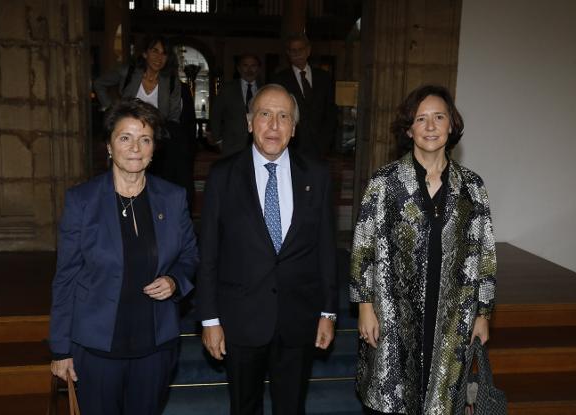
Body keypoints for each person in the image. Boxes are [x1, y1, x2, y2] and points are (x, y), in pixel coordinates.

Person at [349, 85, 497, 414]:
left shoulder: (472, 187)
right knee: (392, 398)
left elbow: (485, 253)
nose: (430, 126)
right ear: (409, 129)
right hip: (392, 314)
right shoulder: (384, 182)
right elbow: (363, 248)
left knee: (443, 401)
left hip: (452, 316)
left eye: (439, 117)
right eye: (421, 118)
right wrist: (364, 306)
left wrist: (483, 313)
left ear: (451, 125)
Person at [49, 98, 199, 414]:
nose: (135, 148)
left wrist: (174, 281)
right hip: (98, 347)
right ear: (109, 145)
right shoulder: (82, 201)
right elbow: (66, 278)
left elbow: (190, 256)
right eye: (125, 138)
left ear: (153, 148)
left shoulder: (172, 198)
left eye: (144, 139)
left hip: (155, 346)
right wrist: (60, 349)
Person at [196, 84, 339, 415]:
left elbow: (326, 250)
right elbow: (209, 254)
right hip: (240, 320)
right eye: (264, 114)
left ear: (293, 127)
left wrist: (328, 312)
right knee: (244, 408)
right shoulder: (222, 175)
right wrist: (209, 319)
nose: (273, 125)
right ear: (249, 122)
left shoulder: (316, 175)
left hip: (298, 319)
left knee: (291, 408)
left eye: (283, 116)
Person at [94, 34, 197, 209]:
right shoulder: (128, 72)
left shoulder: (171, 81)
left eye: (164, 53)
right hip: (129, 133)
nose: (159, 57)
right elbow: (99, 83)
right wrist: (111, 110)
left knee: (159, 179)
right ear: (144, 54)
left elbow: (173, 115)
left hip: (157, 136)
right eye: (154, 51)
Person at [272, 33, 337, 157]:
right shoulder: (280, 79)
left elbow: (331, 110)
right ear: (288, 53)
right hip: (292, 143)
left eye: (300, 49)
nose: (297, 53)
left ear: (308, 50)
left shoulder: (323, 77)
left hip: (320, 143)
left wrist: (327, 139)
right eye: (293, 50)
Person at [209, 53, 261, 157]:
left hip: (259, 145)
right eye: (245, 65)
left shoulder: (265, 90)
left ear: (259, 68)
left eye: (253, 66)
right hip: (231, 146)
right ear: (239, 68)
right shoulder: (227, 89)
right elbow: (215, 115)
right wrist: (218, 140)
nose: (249, 69)